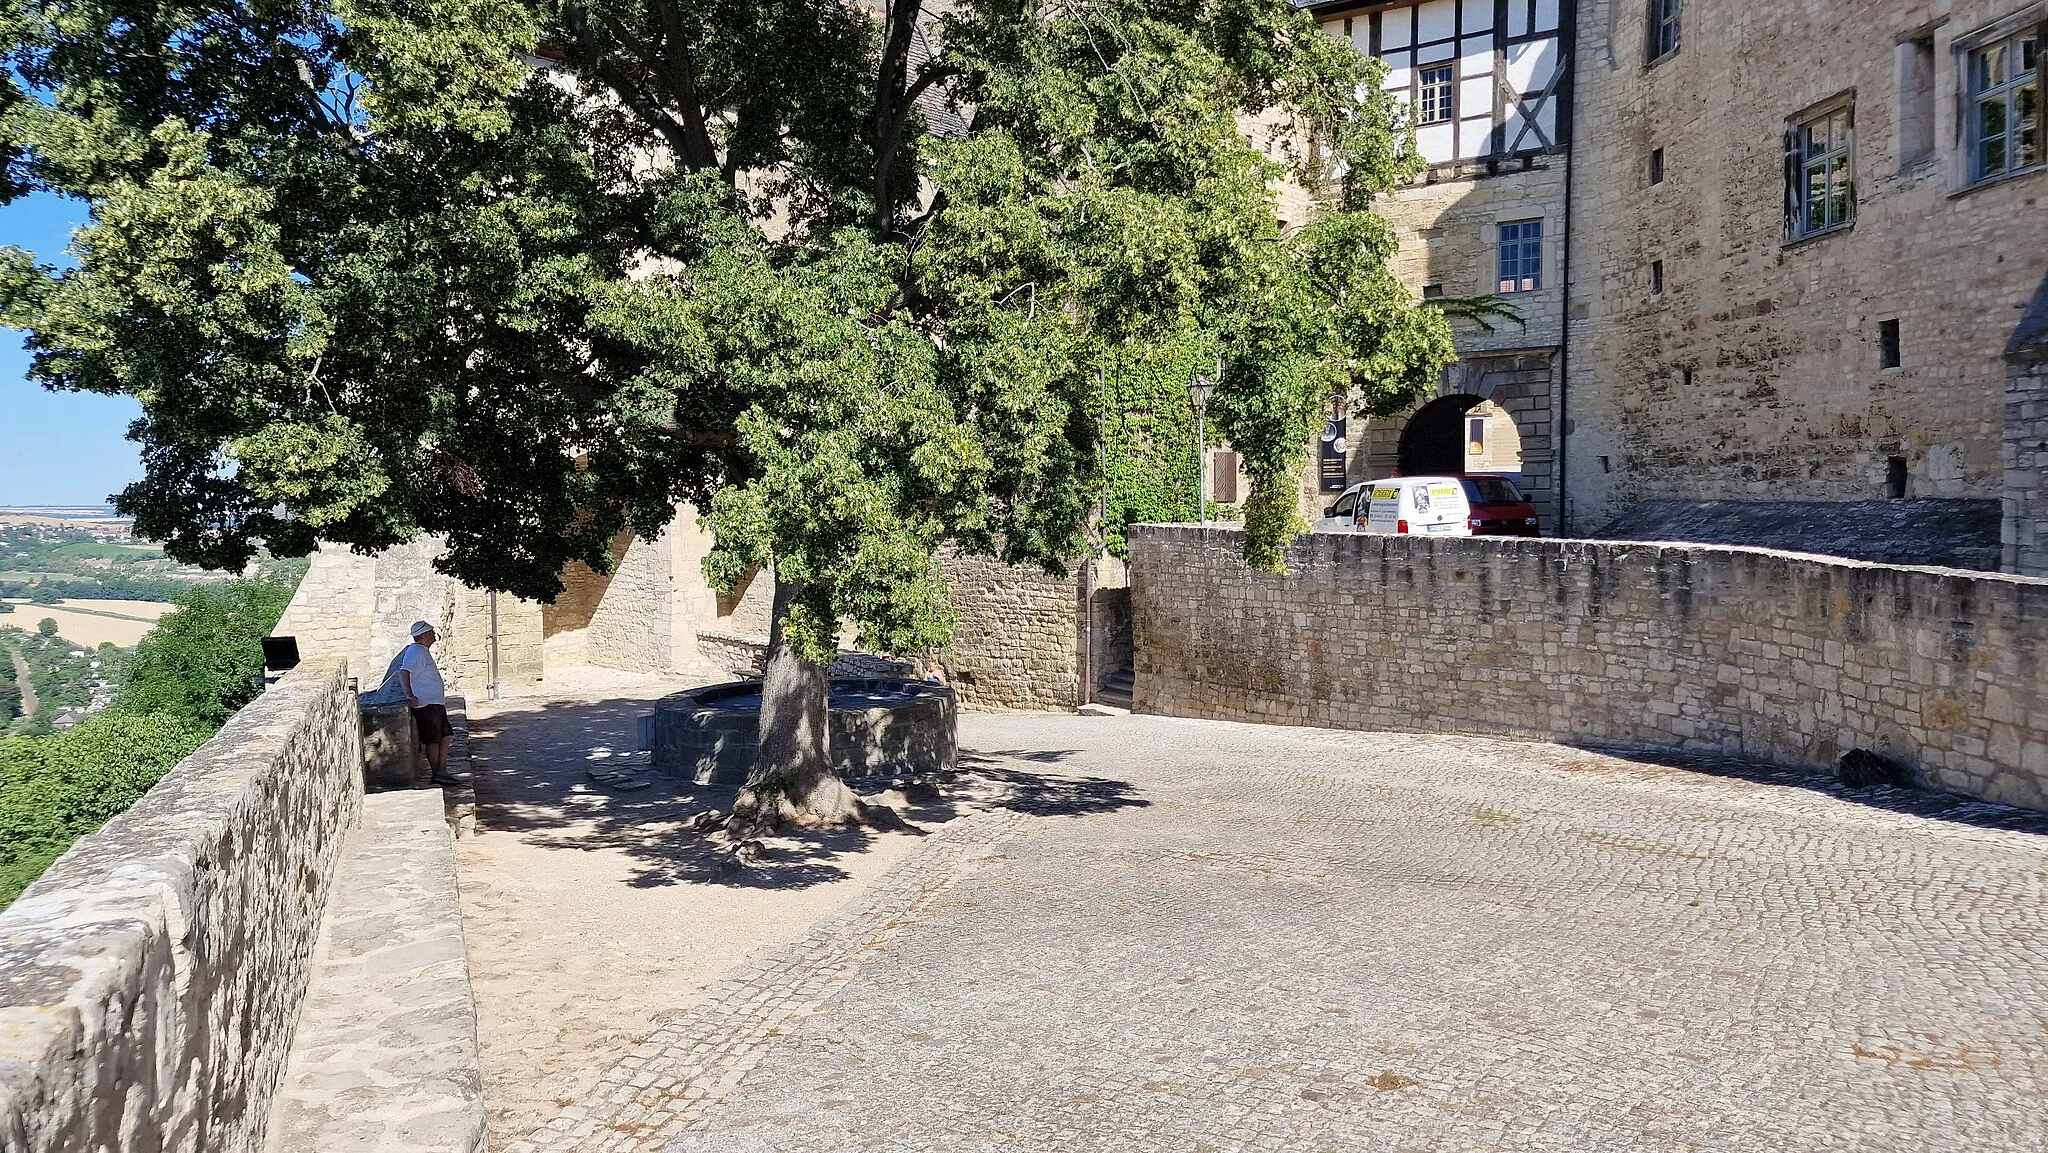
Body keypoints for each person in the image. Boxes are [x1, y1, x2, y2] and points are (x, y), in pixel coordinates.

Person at [396, 620, 451, 780]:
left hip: (434, 702)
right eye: (432, 632)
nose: (435, 635)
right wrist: (409, 694)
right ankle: (437, 773)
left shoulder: (421, 651)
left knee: (445, 736)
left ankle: (441, 770)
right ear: (425, 635)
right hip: (426, 704)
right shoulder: (416, 652)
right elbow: (404, 672)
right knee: (433, 739)